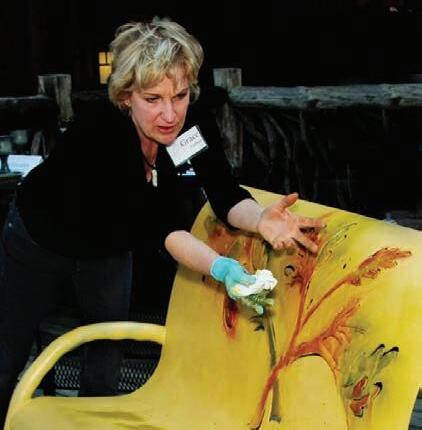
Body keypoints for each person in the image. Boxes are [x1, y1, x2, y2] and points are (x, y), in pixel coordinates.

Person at [0, 17, 324, 426]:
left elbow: (224, 193)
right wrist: (223, 269)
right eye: (152, 99)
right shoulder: (99, 133)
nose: (170, 114)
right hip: (41, 236)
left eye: (180, 95)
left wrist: (260, 219)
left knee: (107, 351)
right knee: (7, 355)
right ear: (126, 96)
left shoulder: (192, 125)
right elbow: (162, 229)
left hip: (109, 246)